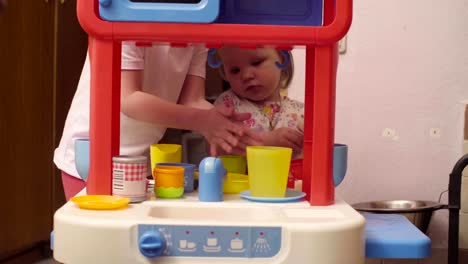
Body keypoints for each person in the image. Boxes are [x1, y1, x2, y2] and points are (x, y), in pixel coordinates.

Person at [54, 42, 260, 200]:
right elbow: (128, 99)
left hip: (137, 161)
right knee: (95, 247)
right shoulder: (128, 14)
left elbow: (192, 100)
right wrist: (204, 120)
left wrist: (228, 127)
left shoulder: (196, 32)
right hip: (89, 158)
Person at [213, 46, 304, 157]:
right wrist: (266, 142)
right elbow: (214, 148)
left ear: (283, 59)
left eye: (257, 63)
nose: (246, 76)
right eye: (235, 70)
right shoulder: (227, 105)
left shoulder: (302, 113)